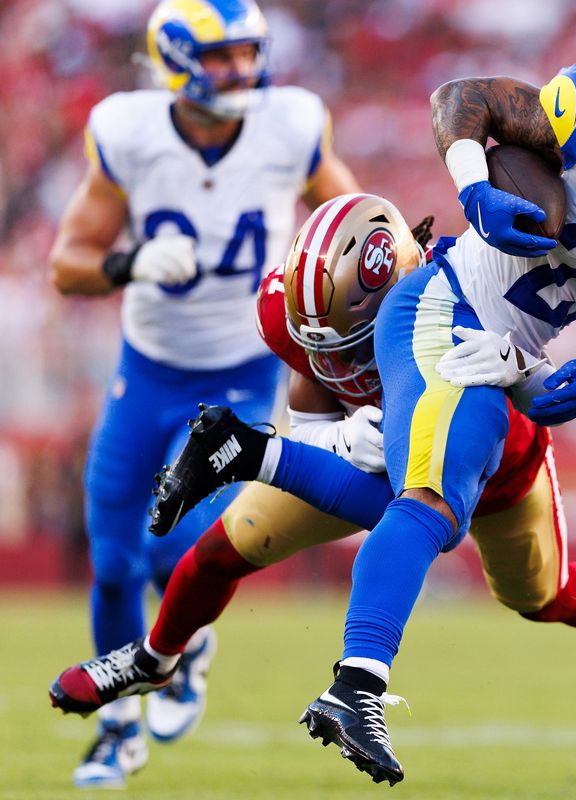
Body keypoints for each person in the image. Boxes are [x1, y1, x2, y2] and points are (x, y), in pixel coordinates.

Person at [262, 17, 576, 785]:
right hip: (443, 309)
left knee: (527, 585)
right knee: (430, 500)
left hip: (515, 355)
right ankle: (355, 687)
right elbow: (462, 98)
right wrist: (474, 185)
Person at [50, 194, 576, 741]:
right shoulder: (299, 312)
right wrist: (338, 437)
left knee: (541, 595)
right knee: (225, 548)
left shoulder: (463, 304)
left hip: (488, 471)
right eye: (329, 347)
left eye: (361, 345)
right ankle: (156, 658)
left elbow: (431, 505)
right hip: (371, 463)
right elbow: (314, 406)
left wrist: (519, 365)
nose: (347, 368)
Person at [46, 0, 359, 788]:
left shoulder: (290, 123)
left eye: (248, 52)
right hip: (148, 366)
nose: (241, 71)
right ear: (178, 62)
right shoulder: (132, 132)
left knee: (166, 548)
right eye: (221, 57)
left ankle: (183, 649)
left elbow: (351, 219)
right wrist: (133, 262)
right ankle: (119, 729)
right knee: (114, 559)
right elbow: (66, 263)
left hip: (246, 367)